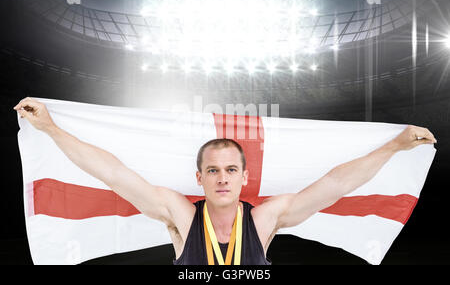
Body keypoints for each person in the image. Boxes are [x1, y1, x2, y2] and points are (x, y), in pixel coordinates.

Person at [14, 97, 437, 265]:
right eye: (213, 170)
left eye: (231, 170)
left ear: (244, 177)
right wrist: (51, 129)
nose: (222, 178)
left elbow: (335, 184)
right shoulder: (179, 212)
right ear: (198, 177)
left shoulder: (265, 219)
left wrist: (395, 147)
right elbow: (110, 172)